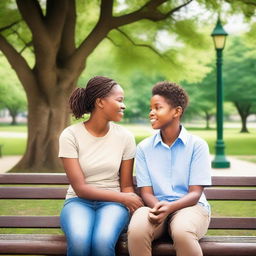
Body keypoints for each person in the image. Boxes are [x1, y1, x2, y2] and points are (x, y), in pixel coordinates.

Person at [58, 76, 143, 256]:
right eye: (119, 100)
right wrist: (125, 198)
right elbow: (80, 189)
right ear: (100, 102)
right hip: (78, 202)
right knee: (80, 242)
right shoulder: (70, 135)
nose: (124, 105)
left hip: (113, 205)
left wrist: (127, 199)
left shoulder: (125, 137)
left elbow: (126, 185)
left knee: (102, 242)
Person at [127, 81, 211, 256]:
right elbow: (146, 192)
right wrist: (160, 208)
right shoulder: (144, 148)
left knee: (182, 232)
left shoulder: (197, 146)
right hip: (154, 207)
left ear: (176, 111)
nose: (151, 112)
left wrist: (170, 208)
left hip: (191, 207)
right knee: (137, 230)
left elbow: (195, 194)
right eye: (151, 108)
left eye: (158, 108)